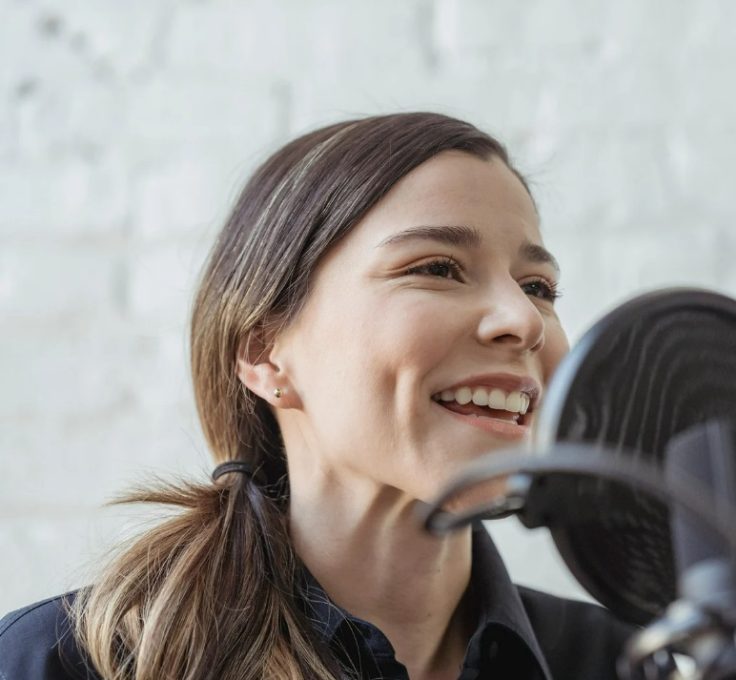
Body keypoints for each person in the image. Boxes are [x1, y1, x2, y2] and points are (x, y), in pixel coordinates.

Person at [0, 112, 633, 679]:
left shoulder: (620, 662)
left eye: (538, 288)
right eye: (437, 268)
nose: (522, 320)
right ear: (264, 352)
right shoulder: (58, 663)